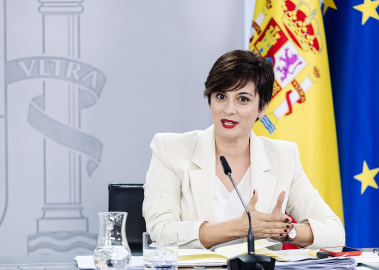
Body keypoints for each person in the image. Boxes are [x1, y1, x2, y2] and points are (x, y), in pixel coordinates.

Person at [143, 50, 345, 249]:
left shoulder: (283, 157)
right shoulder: (171, 150)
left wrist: (285, 231)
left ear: (262, 107)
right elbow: (160, 232)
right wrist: (241, 227)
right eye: (221, 96)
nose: (229, 109)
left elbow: (335, 233)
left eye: (243, 99)